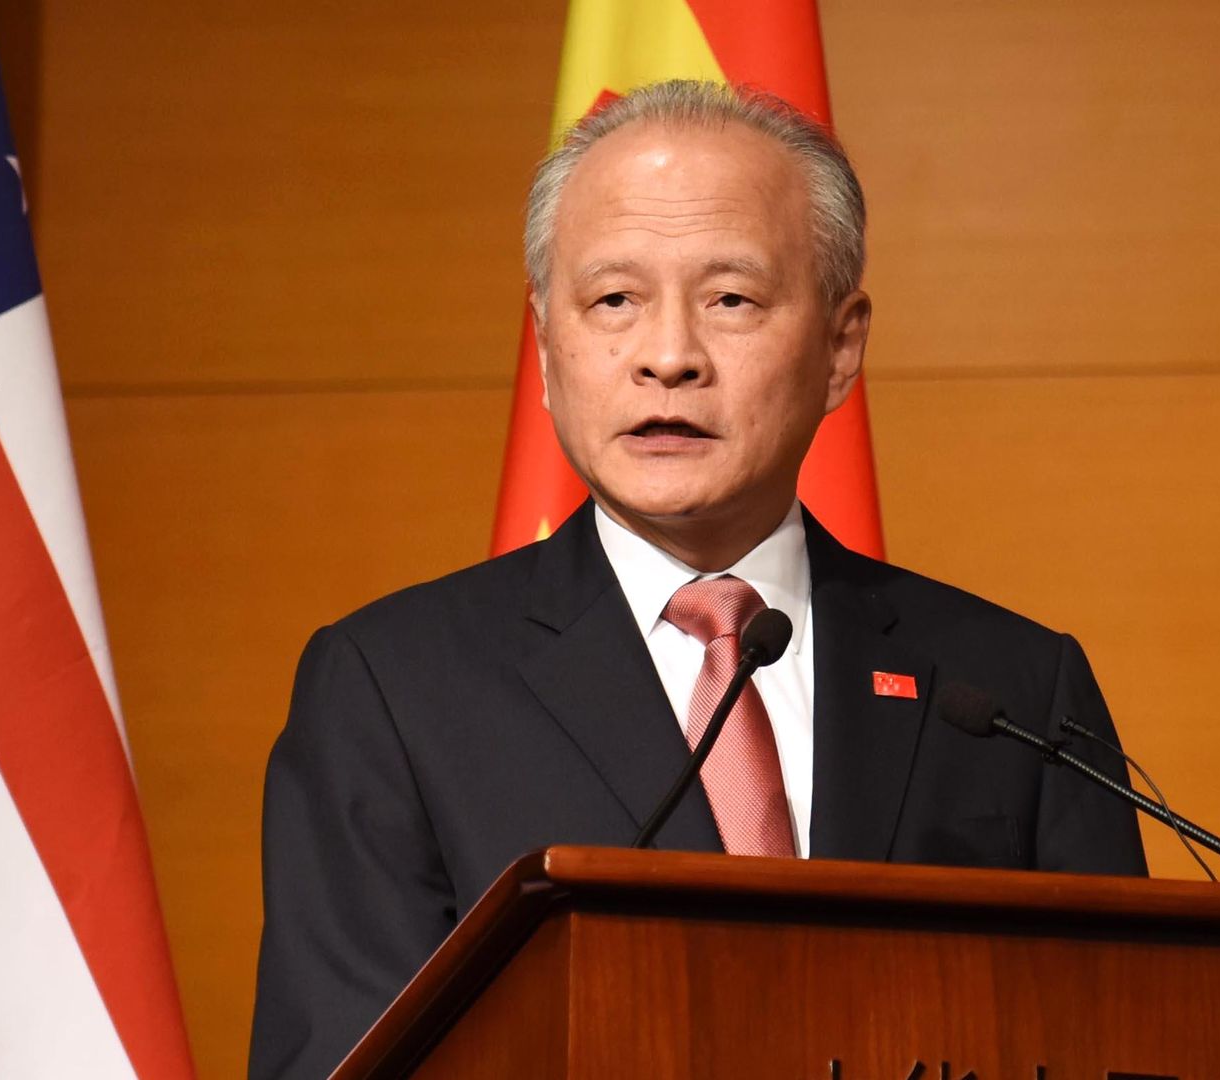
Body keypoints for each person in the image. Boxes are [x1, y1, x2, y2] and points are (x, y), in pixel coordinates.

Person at [249, 79, 1146, 1078]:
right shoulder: (393, 690)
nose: (669, 357)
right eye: (615, 301)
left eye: (730, 300)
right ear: (548, 345)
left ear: (841, 347)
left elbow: (1119, 1037)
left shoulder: (1009, 689)